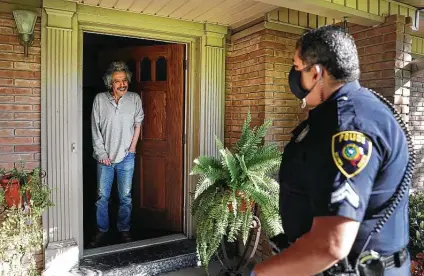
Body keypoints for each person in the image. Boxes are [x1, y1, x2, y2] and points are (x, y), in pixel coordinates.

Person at [251, 25, 412, 275]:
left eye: (296, 67)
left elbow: (332, 245)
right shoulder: (364, 109)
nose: (293, 76)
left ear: (316, 73)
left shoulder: (345, 126)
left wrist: (260, 272)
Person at [89, 61, 144, 248]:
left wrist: (132, 149)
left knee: (125, 197)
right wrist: (102, 153)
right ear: (110, 84)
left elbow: (138, 125)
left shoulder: (135, 98)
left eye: (124, 80)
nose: (122, 84)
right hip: (104, 158)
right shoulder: (99, 99)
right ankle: (101, 229)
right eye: (117, 81)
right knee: (102, 197)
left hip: (127, 157)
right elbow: (95, 129)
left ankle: (124, 229)